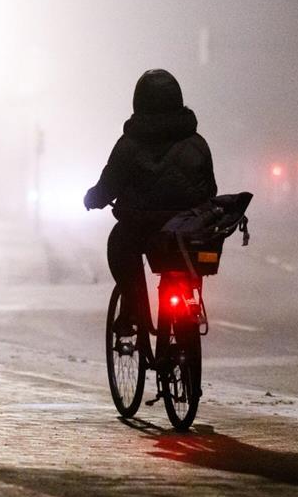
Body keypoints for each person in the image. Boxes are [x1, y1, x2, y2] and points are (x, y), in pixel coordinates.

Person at [84, 69, 217, 336]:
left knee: (119, 244)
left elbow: (108, 186)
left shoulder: (128, 145)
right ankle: (190, 305)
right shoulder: (196, 143)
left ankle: (133, 307)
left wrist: (93, 199)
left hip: (140, 229)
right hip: (185, 229)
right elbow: (210, 189)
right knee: (189, 259)